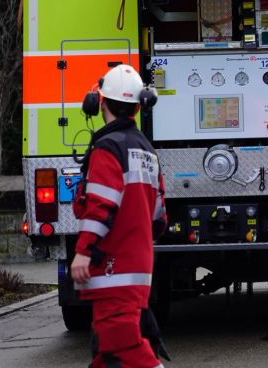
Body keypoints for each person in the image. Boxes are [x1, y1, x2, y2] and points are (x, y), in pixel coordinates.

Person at [71, 64, 169, 368]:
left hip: (112, 267)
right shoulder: (147, 151)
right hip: (137, 267)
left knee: (121, 341)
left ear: (100, 103)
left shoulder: (107, 149)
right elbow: (159, 218)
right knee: (106, 349)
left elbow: (100, 205)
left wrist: (83, 252)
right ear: (139, 107)